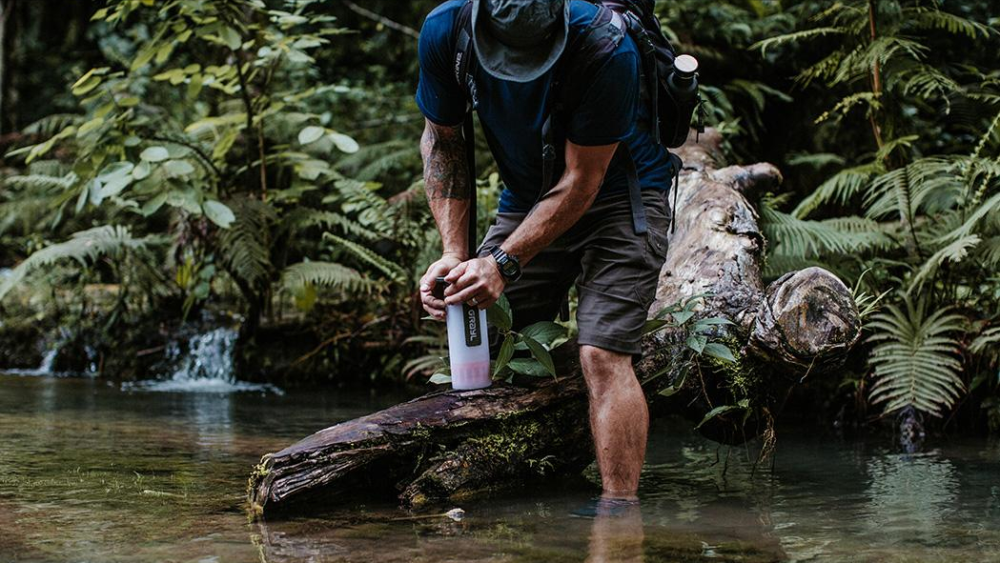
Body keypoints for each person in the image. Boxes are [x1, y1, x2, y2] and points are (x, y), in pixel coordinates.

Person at [416, 0, 674, 501]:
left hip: (623, 194)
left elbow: (583, 181)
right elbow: (443, 143)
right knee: (476, 330)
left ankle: (619, 519)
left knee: (602, 353)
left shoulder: (604, 46)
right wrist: (455, 255)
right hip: (528, 193)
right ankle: (497, 501)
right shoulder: (446, 30)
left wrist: (503, 262)